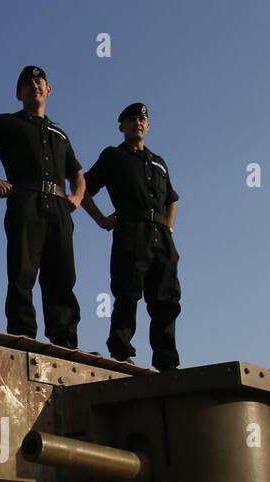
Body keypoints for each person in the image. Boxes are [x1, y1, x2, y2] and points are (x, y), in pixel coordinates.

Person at [0, 65, 86, 348]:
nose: (35, 85)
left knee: (62, 276)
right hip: (25, 202)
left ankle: (65, 342)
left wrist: (77, 197)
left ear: (49, 90)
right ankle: (22, 336)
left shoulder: (60, 134)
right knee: (22, 271)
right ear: (19, 93)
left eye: (40, 81)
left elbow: (77, 173)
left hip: (59, 207)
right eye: (28, 83)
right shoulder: (6, 122)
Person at [80, 101, 182, 370]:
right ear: (122, 126)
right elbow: (83, 188)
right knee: (128, 293)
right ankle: (121, 352)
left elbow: (172, 198)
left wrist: (168, 228)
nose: (138, 122)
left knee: (166, 299)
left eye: (142, 120)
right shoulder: (114, 156)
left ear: (147, 126)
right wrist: (101, 218)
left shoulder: (158, 162)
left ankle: (166, 361)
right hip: (131, 232)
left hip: (161, 236)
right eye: (132, 119)